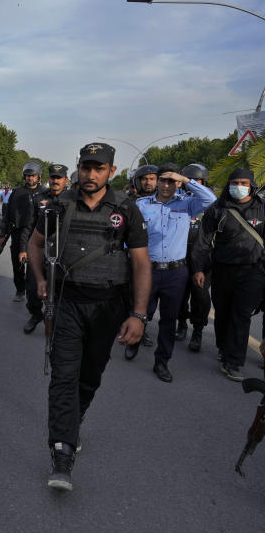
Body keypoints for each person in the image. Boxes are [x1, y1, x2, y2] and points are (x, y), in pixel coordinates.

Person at [27, 142, 150, 492]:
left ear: (111, 171)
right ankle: (62, 454)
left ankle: (73, 419)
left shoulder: (126, 209)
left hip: (108, 305)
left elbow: (141, 262)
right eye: (85, 167)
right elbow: (35, 244)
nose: (90, 174)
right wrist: (39, 280)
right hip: (66, 300)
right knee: (63, 374)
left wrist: (138, 315)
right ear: (77, 168)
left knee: (90, 374)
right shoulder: (58, 206)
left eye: (98, 168)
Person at [125, 163, 216, 382]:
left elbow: (211, 200)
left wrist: (185, 180)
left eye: (171, 181)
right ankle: (134, 342)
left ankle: (162, 361)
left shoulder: (188, 204)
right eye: (162, 180)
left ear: (177, 183)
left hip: (176, 272)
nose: (166, 185)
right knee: (141, 312)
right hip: (148, 269)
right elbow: (131, 234)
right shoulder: (141, 204)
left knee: (169, 319)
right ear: (156, 181)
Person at [191, 167, 265, 381]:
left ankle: (233, 361)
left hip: (253, 271)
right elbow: (203, 241)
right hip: (222, 270)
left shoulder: (261, 209)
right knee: (223, 313)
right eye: (235, 183)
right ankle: (223, 347)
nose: (239, 187)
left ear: (251, 185)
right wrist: (198, 268)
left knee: (241, 315)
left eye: (243, 183)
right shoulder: (218, 209)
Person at [20, 164, 69, 334]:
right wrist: (23, 248)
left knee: (60, 292)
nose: (55, 181)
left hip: (62, 253)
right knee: (33, 289)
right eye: (53, 177)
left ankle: (59, 323)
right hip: (39, 250)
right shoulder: (38, 198)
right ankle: (35, 314)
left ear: (65, 180)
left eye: (59, 178)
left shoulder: (72, 200)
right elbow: (28, 225)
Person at [175, 164, 213, 352]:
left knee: (200, 297)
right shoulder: (179, 199)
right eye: (188, 181)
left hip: (203, 259)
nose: (192, 185)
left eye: (196, 181)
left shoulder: (212, 202)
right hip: (181, 256)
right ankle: (181, 324)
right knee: (180, 296)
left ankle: (197, 330)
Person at [0, 162, 46, 301]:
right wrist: (2, 234)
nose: (30, 178)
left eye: (33, 176)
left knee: (34, 266)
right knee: (18, 264)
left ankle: (33, 290)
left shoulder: (44, 193)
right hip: (18, 233)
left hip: (37, 234)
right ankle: (20, 290)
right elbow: (7, 215)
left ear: (38, 177)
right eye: (27, 176)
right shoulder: (17, 192)